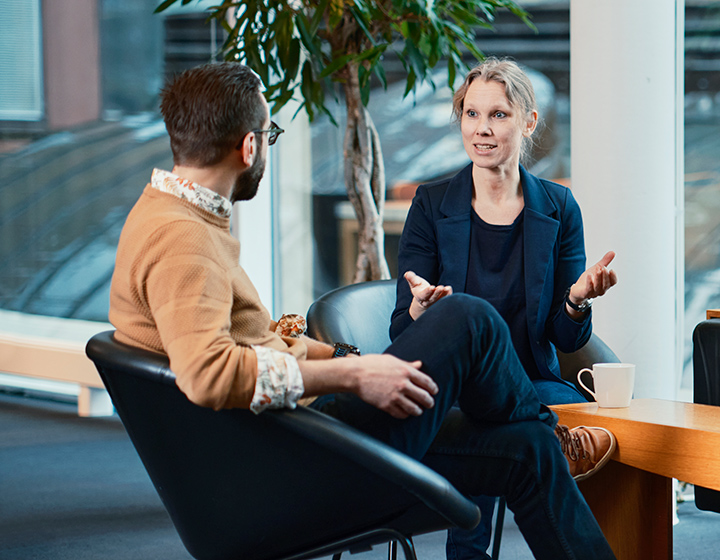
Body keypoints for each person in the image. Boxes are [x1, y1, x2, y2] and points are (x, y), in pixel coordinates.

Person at [107, 61, 617, 560]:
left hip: (296, 432)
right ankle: (556, 435)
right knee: (470, 318)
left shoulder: (172, 215)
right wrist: (353, 373)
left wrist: (343, 354)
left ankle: (549, 439)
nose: (482, 129)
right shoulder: (183, 239)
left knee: (528, 450)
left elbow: (251, 340)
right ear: (249, 147)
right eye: (271, 135)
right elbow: (208, 375)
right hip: (298, 447)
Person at [391, 58, 619, 560]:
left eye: (498, 115)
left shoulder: (559, 207)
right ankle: (549, 435)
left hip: (532, 381)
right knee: (502, 423)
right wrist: (421, 313)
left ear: (528, 122)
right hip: (453, 389)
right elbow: (397, 328)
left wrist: (577, 301)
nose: (482, 130)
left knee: (497, 426)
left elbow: (565, 339)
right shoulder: (431, 205)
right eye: (471, 115)